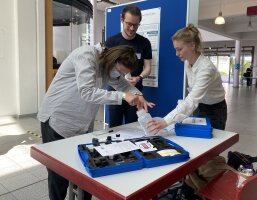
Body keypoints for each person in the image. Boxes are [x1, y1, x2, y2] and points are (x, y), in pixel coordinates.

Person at [37, 45, 154, 200]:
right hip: (58, 119)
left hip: (81, 122)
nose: (119, 75)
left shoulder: (109, 65)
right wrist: (123, 97)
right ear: (114, 59)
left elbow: (122, 84)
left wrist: (138, 95)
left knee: (87, 170)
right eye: (119, 71)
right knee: (59, 175)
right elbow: (86, 92)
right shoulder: (86, 55)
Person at [147, 23, 227, 133]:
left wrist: (166, 121)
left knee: (214, 141)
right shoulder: (187, 62)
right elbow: (193, 96)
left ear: (192, 45)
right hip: (201, 105)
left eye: (179, 49)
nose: (176, 54)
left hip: (216, 109)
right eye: (175, 49)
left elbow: (192, 99)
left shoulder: (206, 69)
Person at [105, 5, 152, 128]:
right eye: (128, 24)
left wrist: (138, 78)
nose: (132, 28)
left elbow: (147, 68)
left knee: (133, 126)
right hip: (115, 89)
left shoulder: (144, 43)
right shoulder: (111, 42)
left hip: (135, 89)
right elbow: (106, 69)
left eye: (135, 25)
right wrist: (120, 80)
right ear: (122, 19)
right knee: (114, 127)